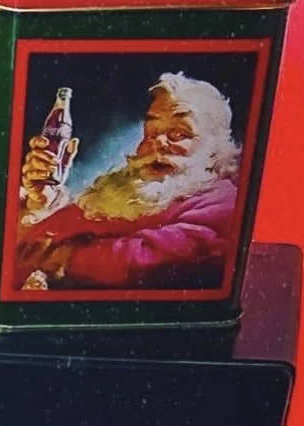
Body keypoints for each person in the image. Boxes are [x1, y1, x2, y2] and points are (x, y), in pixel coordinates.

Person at [14, 72, 241, 292]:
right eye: (150, 132)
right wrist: (41, 201)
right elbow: (27, 246)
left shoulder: (223, 203)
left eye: (179, 134)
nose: (157, 143)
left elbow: (143, 261)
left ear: (215, 148)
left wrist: (62, 257)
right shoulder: (125, 187)